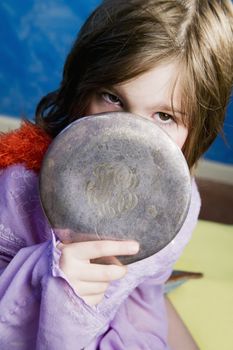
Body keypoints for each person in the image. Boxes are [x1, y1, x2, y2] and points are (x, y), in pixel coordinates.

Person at [0, 0, 232, 349]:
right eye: (112, 97)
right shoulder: (19, 187)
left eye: (164, 116)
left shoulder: (179, 207)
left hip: (117, 315)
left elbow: (146, 289)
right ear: (82, 91)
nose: (128, 140)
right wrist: (57, 282)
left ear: (198, 129)